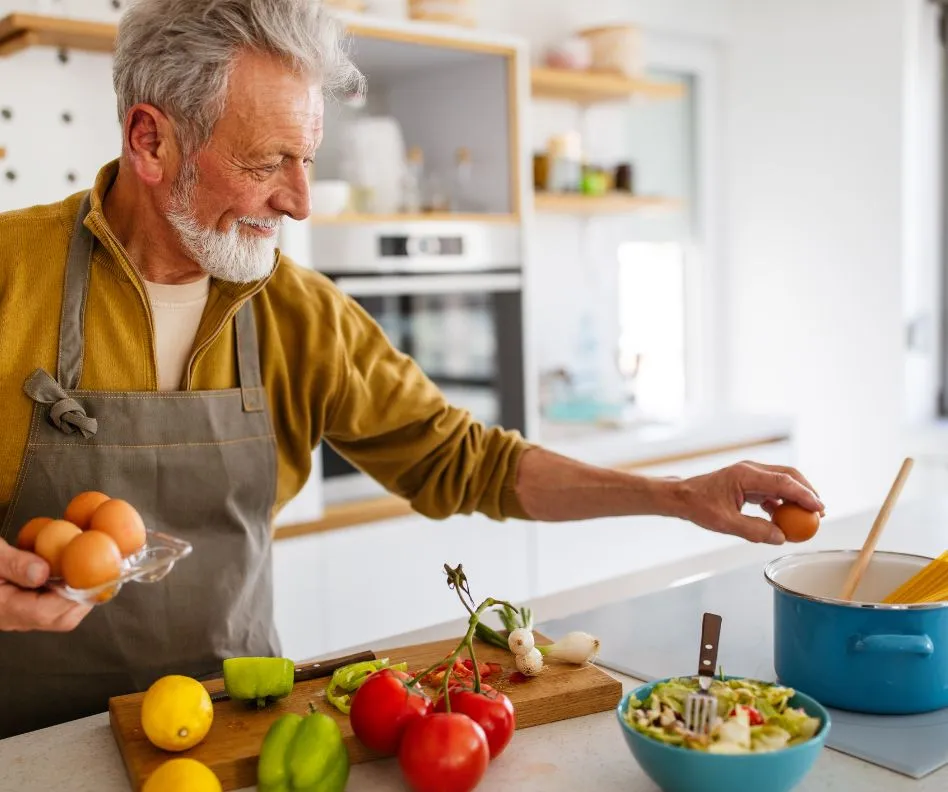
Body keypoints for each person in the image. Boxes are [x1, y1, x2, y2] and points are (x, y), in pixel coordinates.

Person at [0, 0, 824, 738]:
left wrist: (677, 497)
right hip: (27, 740)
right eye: (265, 162)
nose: (301, 202)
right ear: (151, 140)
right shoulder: (11, 272)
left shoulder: (301, 312)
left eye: (307, 160)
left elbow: (466, 459)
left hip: (234, 728)